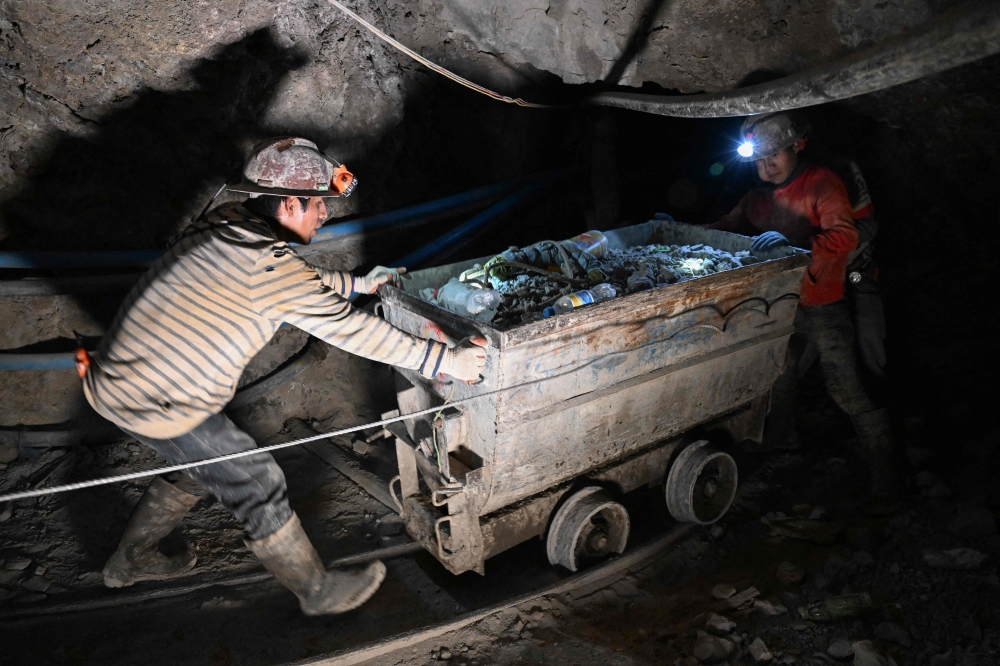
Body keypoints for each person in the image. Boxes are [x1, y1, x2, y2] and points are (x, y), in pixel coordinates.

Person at [81, 137, 488, 615]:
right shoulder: (265, 265)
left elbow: (291, 284)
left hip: (117, 379)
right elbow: (351, 329)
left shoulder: (226, 223)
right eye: (318, 205)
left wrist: (360, 283)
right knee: (255, 478)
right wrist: (446, 361)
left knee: (200, 466)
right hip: (159, 397)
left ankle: (130, 560)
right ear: (291, 202)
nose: (324, 215)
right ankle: (316, 591)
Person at [705, 113, 897, 505]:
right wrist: (680, 228)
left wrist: (796, 247)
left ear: (797, 146)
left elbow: (844, 236)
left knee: (845, 384)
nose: (765, 166)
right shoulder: (758, 194)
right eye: (758, 160)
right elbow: (726, 226)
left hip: (822, 300)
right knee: (780, 372)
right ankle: (780, 439)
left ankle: (886, 468)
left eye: (773, 155)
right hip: (779, 303)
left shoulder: (822, 182)